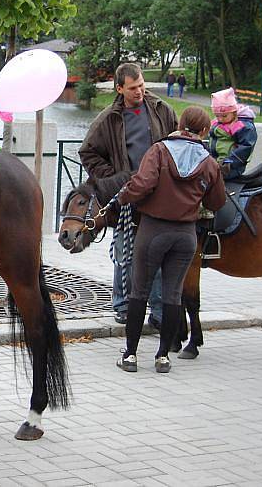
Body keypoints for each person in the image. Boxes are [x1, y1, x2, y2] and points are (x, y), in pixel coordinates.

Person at [116, 107, 227, 373]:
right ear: (203, 131)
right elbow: (217, 201)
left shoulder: (159, 151)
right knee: (173, 295)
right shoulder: (209, 162)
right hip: (185, 235)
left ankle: (130, 355)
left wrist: (123, 196)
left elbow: (142, 184)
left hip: (153, 230)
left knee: (139, 291)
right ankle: (163, 356)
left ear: (180, 124)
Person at [79, 63, 177, 327]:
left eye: (142, 85)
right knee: (124, 251)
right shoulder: (108, 118)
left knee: (157, 253)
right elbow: (87, 152)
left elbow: (176, 141)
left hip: (158, 194)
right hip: (127, 195)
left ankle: (157, 312)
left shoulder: (161, 109)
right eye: (133, 88)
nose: (139, 91)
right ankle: (122, 305)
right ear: (120, 88)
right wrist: (114, 178)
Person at [208, 87, 257, 181]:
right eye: (217, 116)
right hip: (216, 162)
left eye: (224, 116)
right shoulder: (218, 124)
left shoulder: (242, 126)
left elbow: (246, 147)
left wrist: (229, 162)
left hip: (231, 166)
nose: (220, 119)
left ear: (234, 112)